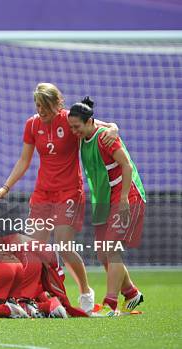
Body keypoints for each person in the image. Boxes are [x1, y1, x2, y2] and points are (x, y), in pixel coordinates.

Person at [0, 82, 120, 314]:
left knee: (63, 246)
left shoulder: (70, 118)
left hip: (69, 191)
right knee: (35, 248)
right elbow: (24, 160)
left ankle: (85, 290)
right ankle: (41, 295)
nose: (41, 111)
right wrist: (5, 187)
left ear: (57, 103)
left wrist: (114, 128)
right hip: (43, 193)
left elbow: (102, 126)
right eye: (38, 105)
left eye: (46, 106)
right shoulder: (32, 124)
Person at [67, 97, 145, 316]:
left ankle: (111, 305)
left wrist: (123, 201)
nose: (74, 131)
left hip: (123, 196)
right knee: (103, 254)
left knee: (111, 251)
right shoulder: (88, 133)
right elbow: (103, 123)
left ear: (89, 121)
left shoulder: (104, 138)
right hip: (103, 198)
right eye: (71, 127)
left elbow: (126, 166)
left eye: (77, 127)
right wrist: (113, 125)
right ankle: (131, 293)